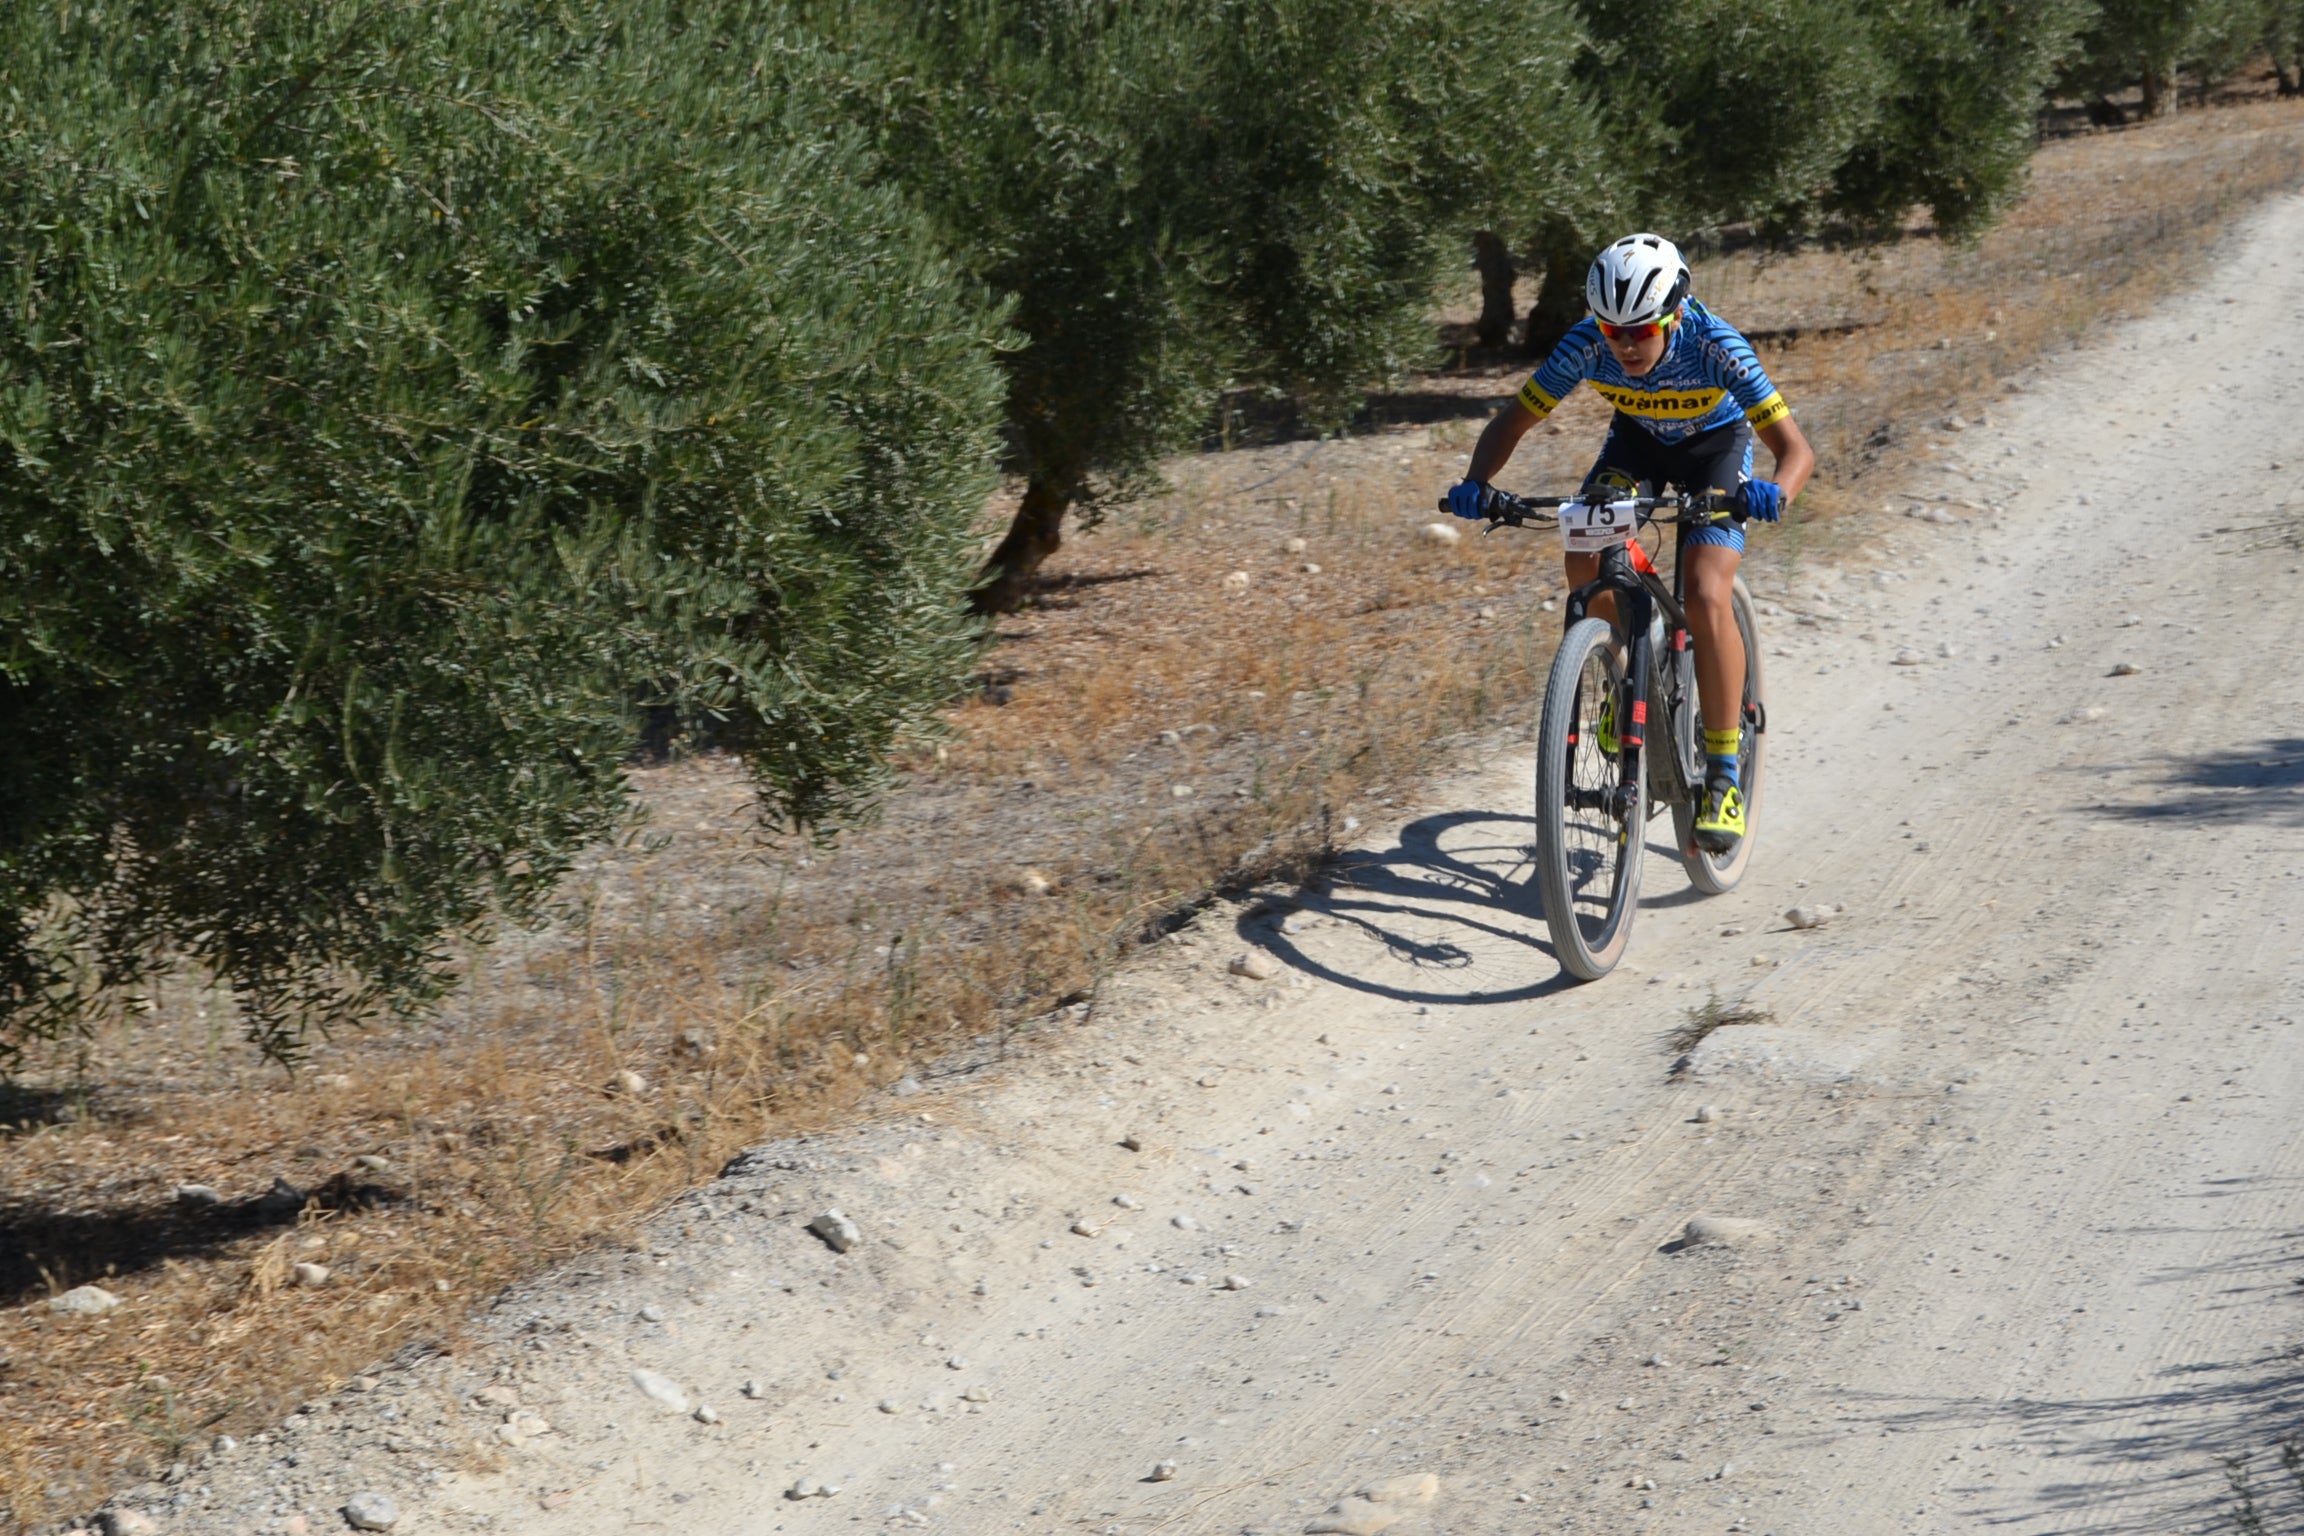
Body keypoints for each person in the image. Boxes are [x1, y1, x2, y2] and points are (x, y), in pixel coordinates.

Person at [1444, 232, 1813, 854]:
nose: (1624, 345)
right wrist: (1477, 483)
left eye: (1641, 331)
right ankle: (1622, 674)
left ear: (1673, 315)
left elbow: (1795, 450)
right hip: (1636, 445)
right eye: (1612, 331)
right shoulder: (1586, 346)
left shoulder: (1718, 347)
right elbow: (1515, 419)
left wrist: (1774, 491)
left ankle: (1722, 772)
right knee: (1584, 553)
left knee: (1703, 589)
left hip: (1714, 454)